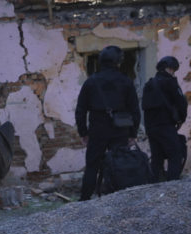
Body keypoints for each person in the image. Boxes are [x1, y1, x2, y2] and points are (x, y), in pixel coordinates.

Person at [75, 45, 140, 200]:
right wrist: (133, 133)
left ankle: (84, 200)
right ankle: (120, 197)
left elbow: (80, 110)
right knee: (119, 164)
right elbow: (135, 111)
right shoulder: (126, 82)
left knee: (92, 166)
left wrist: (83, 132)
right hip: (120, 130)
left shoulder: (91, 82)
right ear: (118, 62)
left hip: (97, 129)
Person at [142, 56, 188, 181]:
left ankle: (154, 183)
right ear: (170, 68)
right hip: (165, 125)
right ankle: (172, 185)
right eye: (173, 69)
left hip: (151, 127)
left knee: (157, 158)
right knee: (175, 154)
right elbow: (181, 103)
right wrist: (180, 120)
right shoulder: (170, 82)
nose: (173, 72)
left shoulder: (149, 84)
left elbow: (144, 107)